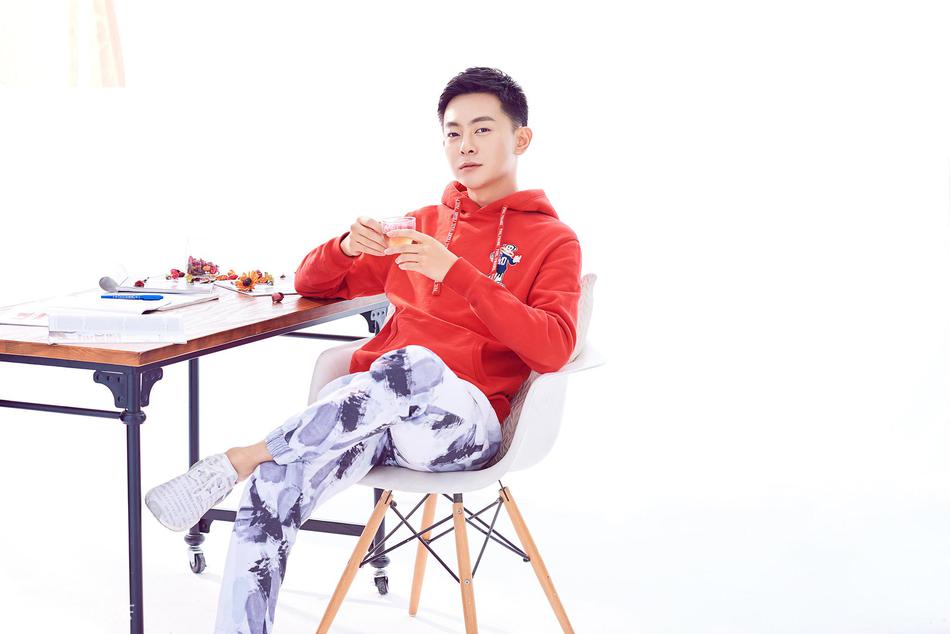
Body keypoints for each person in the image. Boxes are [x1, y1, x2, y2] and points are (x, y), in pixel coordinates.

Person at [144, 66, 583, 634]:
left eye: (482, 129)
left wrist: (458, 274)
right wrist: (348, 246)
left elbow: (554, 348)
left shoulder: (553, 240)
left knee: (411, 364)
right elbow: (312, 283)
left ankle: (241, 456)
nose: (465, 146)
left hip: (463, 428)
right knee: (273, 486)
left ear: (520, 138)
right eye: (452, 133)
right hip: (376, 420)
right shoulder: (420, 226)